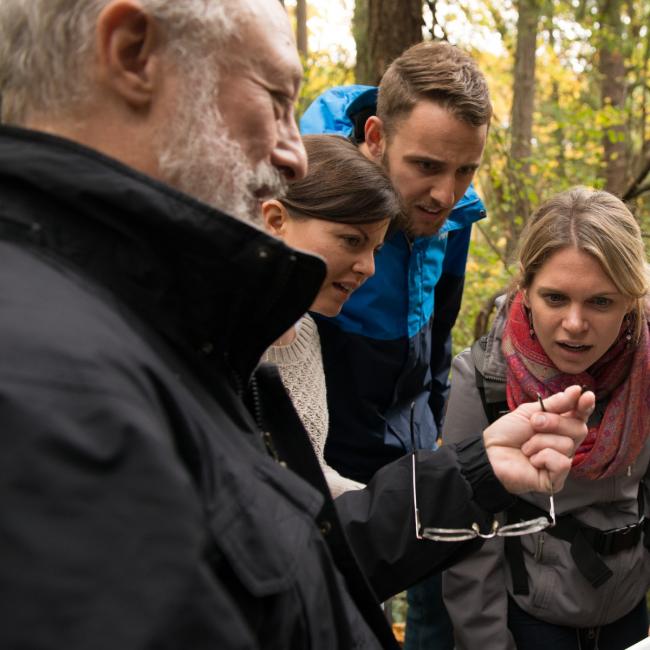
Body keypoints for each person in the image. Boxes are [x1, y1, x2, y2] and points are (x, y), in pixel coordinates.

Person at [0, 2, 593, 648]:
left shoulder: (177, 335)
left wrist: (472, 472)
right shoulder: (55, 387)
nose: (295, 157)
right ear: (132, 52)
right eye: (278, 99)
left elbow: (287, 545)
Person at [301, 40, 490, 647]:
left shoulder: (451, 215)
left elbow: (439, 327)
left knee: (439, 595)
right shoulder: (312, 200)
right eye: (428, 166)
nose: (447, 193)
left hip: (413, 437)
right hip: (333, 453)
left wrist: (433, 420)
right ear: (376, 136)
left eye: (466, 171)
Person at [442, 187, 650, 650]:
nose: (575, 324)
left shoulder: (646, 368)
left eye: (601, 302)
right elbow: (467, 546)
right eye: (555, 298)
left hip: (631, 615)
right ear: (526, 291)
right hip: (532, 620)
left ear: (631, 301)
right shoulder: (483, 381)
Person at [261, 134, 401, 497]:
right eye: (352, 240)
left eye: (376, 248)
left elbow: (313, 474)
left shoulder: (305, 332)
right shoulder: (216, 335)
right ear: (276, 220)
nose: (368, 267)